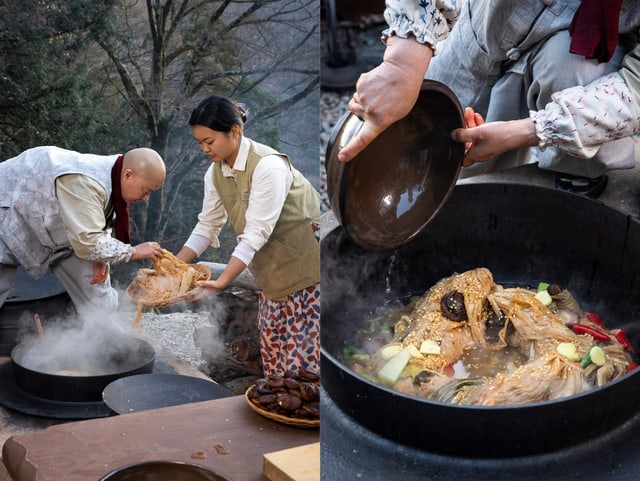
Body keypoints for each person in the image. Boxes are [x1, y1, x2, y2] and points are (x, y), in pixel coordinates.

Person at [339, 0, 640, 182]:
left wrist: (530, 130)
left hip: (587, 61)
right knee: (422, 147)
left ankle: (567, 189)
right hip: (482, 31)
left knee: (572, 67)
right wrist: (404, 59)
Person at [176, 95, 320, 377]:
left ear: (235, 131)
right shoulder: (215, 173)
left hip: (308, 272)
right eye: (200, 143)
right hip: (272, 277)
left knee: (304, 369)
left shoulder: (268, 166)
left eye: (210, 141)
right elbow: (206, 226)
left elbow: (255, 235)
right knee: (275, 358)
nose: (205, 149)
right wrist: (171, 269)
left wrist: (222, 282)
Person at [450, 42, 640, 195]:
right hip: (489, 35)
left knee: (573, 68)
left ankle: (575, 169)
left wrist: (525, 132)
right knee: (447, 142)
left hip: (590, 50)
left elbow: (636, 86)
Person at [0, 146, 166, 314]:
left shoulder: (113, 176)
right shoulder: (84, 181)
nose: (146, 198)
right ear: (128, 175)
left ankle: (105, 332)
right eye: (146, 191)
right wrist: (134, 251)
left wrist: (101, 257)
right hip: (8, 209)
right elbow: (88, 242)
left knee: (95, 284)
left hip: (57, 231)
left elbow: (99, 223)